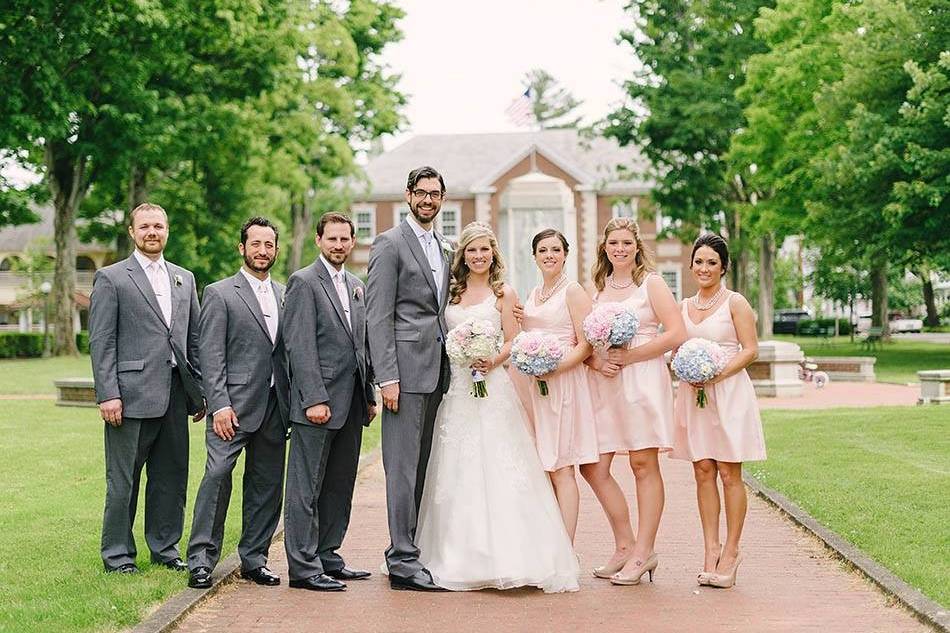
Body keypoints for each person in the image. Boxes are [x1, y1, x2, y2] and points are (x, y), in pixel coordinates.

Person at [416, 222, 580, 593]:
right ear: (463, 255)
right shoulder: (451, 294)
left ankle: (516, 556)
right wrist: (462, 354)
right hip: (459, 390)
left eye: (484, 250)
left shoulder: (503, 292)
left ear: (494, 254)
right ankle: (459, 555)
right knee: (457, 471)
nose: (478, 256)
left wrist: (491, 359)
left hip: (494, 388)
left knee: (503, 465)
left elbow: (513, 339)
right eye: (471, 250)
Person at [89, 202, 204, 574]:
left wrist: (199, 391)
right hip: (130, 395)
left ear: (167, 230)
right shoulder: (112, 277)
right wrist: (108, 394)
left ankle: (166, 549)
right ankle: (118, 556)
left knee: (171, 477)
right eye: (145, 227)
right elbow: (102, 341)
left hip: (175, 393)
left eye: (158, 226)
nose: (152, 232)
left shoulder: (184, 278)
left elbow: (195, 340)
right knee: (123, 482)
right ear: (132, 232)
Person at [185, 217, 289, 589]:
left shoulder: (284, 293)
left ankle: (255, 559)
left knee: (266, 485)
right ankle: (200, 560)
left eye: (269, 245)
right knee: (216, 478)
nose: (263, 251)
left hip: (276, 407)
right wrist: (219, 404)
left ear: (277, 249)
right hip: (232, 408)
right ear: (241, 248)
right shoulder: (219, 293)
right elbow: (209, 353)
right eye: (256, 244)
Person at [583, 218, 686, 586]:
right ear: (605, 248)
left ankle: (644, 552)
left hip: (642, 379)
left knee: (643, 465)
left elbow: (676, 332)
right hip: (605, 383)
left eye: (627, 242)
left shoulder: (651, 284)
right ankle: (625, 545)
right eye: (614, 243)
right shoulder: (595, 288)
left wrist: (632, 356)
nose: (620, 248)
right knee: (593, 466)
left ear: (637, 247)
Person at [366, 166, 451, 591]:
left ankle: (412, 548)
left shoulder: (444, 247)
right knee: (401, 470)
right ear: (408, 195)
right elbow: (377, 315)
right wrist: (386, 377)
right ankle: (401, 558)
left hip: (438, 374)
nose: (428, 200)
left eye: (435, 194)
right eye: (421, 193)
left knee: (423, 466)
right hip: (403, 374)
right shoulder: (389, 243)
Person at [282, 212, 377, 592]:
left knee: (339, 485)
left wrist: (368, 395)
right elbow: (298, 345)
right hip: (317, 406)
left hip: (352, 404)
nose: (339, 245)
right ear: (319, 241)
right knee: (306, 488)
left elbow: (361, 346)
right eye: (332, 239)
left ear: (352, 242)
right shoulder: (303, 282)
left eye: (345, 239)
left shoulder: (356, 285)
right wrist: (314, 399)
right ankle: (303, 568)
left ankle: (328, 556)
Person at [671, 233, 766, 589]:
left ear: (724, 267)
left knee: (729, 472)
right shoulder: (683, 307)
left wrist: (715, 372)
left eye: (712, 262)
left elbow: (750, 349)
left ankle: (731, 549)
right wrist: (684, 368)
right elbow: (675, 346)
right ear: (691, 265)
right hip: (694, 395)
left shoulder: (735, 302)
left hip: (728, 392)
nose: (704, 268)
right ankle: (710, 548)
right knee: (702, 470)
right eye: (699, 261)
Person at [517, 229, 599, 543]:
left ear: (565, 254)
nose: (549, 255)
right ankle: (549, 543)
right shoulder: (534, 294)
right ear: (535, 257)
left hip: (565, 386)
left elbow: (585, 346)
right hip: (539, 388)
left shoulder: (574, 291)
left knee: (563, 467)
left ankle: (566, 548)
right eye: (543, 250)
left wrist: (552, 367)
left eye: (555, 249)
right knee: (546, 466)